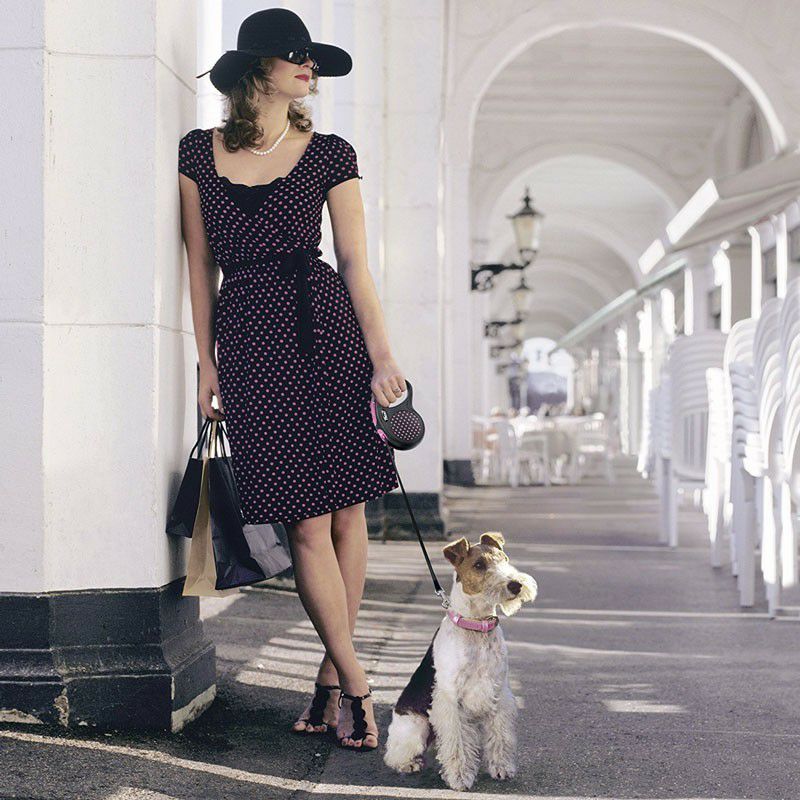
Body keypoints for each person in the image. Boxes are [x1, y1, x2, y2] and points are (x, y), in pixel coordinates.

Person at [179, 8, 405, 752]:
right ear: (257, 70)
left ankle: (333, 676)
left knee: (346, 512)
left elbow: (355, 264)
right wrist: (207, 360)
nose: (309, 67)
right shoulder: (198, 152)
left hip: (327, 331)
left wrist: (383, 357)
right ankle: (358, 681)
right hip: (251, 342)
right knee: (305, 519)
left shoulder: (330, 152)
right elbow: (200, 269)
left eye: (312, 58)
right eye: (295, 55)